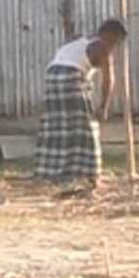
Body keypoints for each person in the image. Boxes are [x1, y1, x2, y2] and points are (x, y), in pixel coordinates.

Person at [33, 19, 127, 189]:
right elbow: (108, 80)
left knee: (59, 127)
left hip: (52, 77)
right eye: (116, 41)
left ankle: (51, 170)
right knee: (87, 127)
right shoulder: (101, 46)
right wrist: (103, 107)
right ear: (109, 35)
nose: (115, 46)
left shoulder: (80, 41)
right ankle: (90, 174)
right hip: (70, 77)